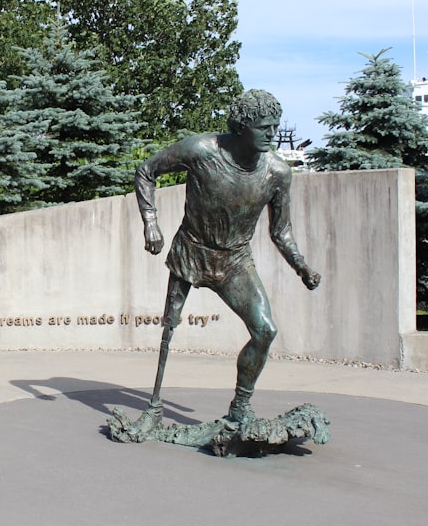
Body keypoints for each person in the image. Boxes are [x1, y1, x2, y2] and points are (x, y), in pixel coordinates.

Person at [125, 89, 320, 440]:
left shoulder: (277, 173)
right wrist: (151, 221)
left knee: (265, 331)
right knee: (169, 330)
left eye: (274, 126)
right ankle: (153, 408)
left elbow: (282, 232)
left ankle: (240, 410)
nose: (271, 134)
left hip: (235, 261)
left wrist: (301, 266)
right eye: (264, 127)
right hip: (193, 250)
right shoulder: (201, 150)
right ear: (241, 127)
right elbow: (146, 171)